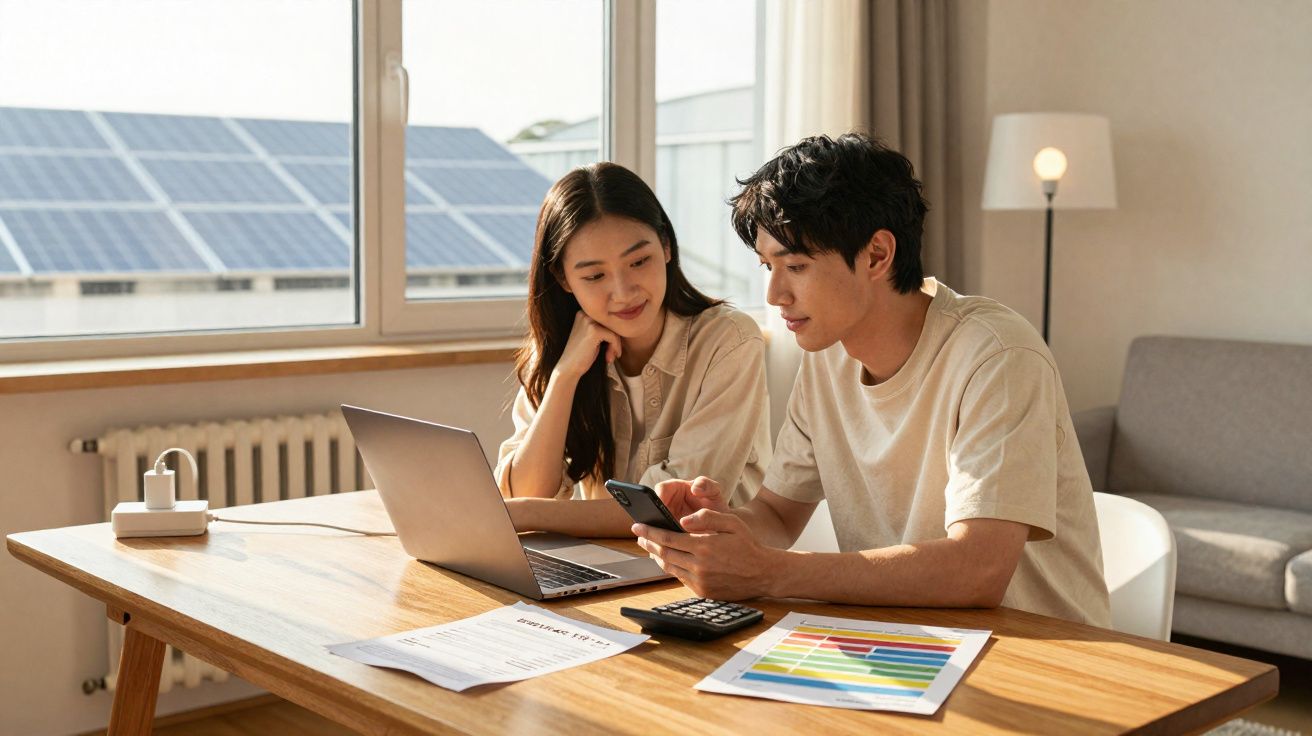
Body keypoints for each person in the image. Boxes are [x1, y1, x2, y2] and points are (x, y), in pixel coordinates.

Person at [632, 133, 1111, 626]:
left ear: (877, 255)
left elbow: (979, 568)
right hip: (908, 641)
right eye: (767, 267)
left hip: (1042, 655)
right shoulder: (825, 355)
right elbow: (776, 516)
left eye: (795, 266)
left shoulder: (997, 355)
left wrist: (770, 573)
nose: (775, 294)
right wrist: (715, 528)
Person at [496, 162, 772, 538]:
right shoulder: (561, 353)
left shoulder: (729, 341)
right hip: (603, 570)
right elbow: (523, 494)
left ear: (667, 246)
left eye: (639, 261)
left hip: (707, 576)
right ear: (563, 278)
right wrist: (564, 377)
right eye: (595, 276)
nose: (624, 291)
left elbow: (671, 511)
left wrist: (529, 514)